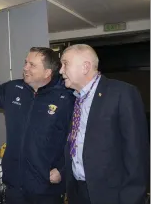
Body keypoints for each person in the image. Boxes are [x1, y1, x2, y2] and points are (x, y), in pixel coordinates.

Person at [0, 47, 75, 204]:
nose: (25, 67)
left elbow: (76, 140)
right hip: (14, 186)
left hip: (46, 188)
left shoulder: (66, 98)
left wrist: (63, 171)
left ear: (47, 72)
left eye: (32, 65)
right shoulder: (14, 89)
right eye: (25, 62)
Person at [59, 44, 149, 204]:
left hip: (111, 195)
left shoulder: (122, 93)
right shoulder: (74, 98)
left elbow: (136, 153)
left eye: (65, 64)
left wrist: (132, 198)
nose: (61, 70)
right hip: (78, 193)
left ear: (85, 67)